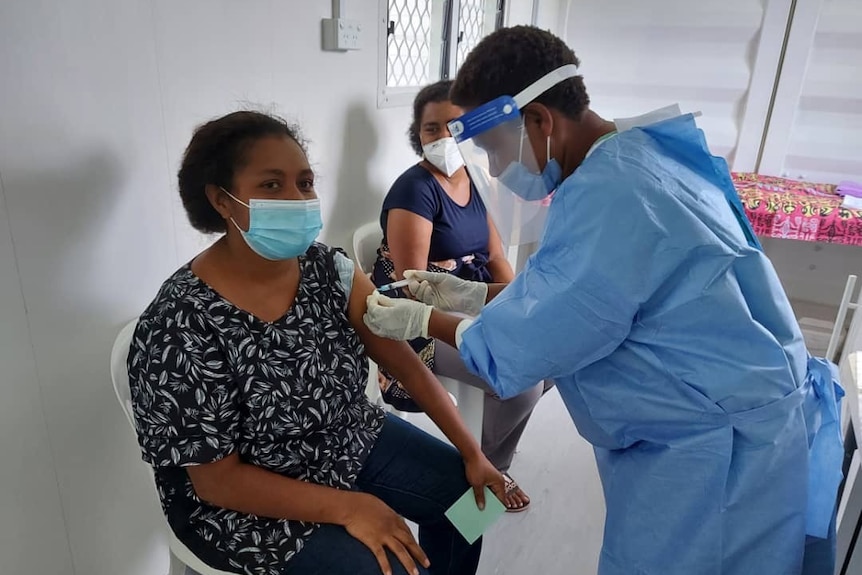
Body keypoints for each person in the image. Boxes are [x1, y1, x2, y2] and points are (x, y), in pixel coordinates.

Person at [362, 26, 845, 575]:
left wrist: (437, 311)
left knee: (521, 396)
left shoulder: (607, 195)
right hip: (738, 411)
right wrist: (466, 300)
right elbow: (567, 291)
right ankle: (487, 479)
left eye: (493, 148)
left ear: (540, 121)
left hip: (716, 447)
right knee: (513, 400)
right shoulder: (641, 156)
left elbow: (549, 317)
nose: (491, 168)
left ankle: (488, 478)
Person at [126, 111, 505, 575]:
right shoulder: (179, 323)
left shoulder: (327, 270)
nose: (297, 198)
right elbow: (216, 482)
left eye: (305, 183)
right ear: (220, 201)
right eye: (271, 185)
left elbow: (403, 363)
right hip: (243, 502)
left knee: (474, 503)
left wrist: (473, 453)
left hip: (343, 438)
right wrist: (351, 508)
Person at [372, 80, 542, 512]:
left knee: (550, 359)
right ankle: (484, 474)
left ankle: (485, 462)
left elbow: (496, 257)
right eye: (431, 129)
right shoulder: (415, 189)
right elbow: (413, 287)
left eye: (455, 126)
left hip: (471, 300)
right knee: (521, 382)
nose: (444, 137)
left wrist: (515, 305)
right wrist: (485, 315)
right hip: (419, 323)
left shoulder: (477, 180)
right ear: (418, 135)